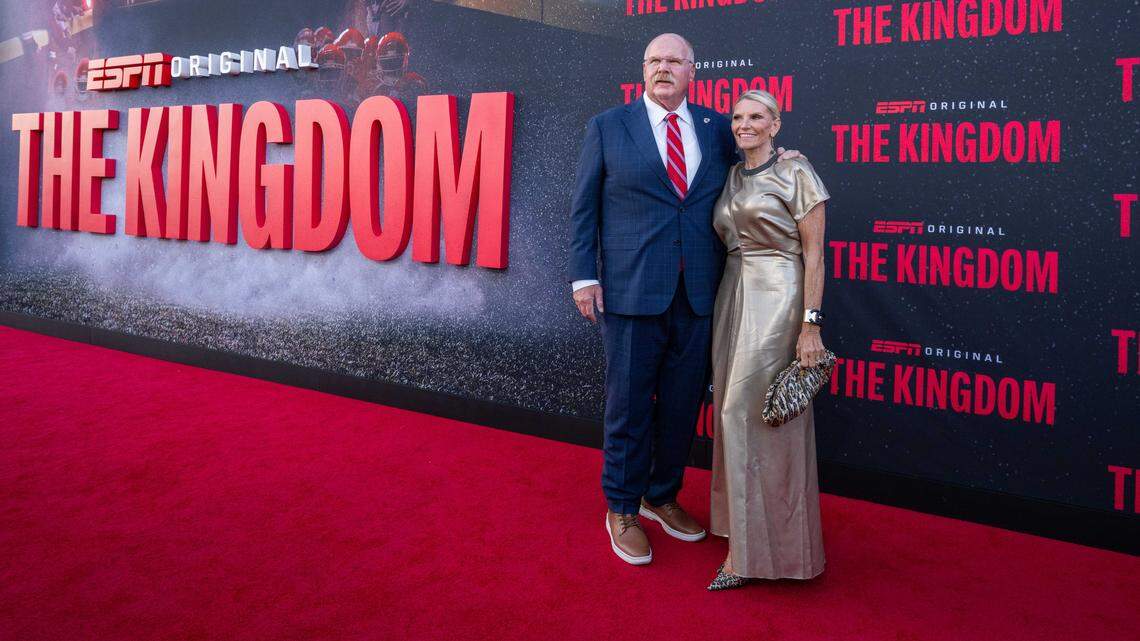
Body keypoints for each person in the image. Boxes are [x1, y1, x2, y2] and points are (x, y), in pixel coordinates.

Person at [568, 33, 797, 565]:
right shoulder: (607, 126)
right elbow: (584, 209)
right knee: (628, 406)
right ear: (642, 70)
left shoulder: (719, 129)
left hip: (698, 293)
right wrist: (584, 277)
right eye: (654, 61)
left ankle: (661, 495)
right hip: (629, 292)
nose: (663, 68)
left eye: (674, 61)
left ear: (693, 71)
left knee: (680, 408)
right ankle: (622, 506)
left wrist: (781, 157)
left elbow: (752, 169)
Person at [707, 90, 830, 590]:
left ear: (776, 124)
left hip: (779, 296)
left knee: (752, 411)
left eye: (757, 116)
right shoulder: (735, 174)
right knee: (729, 413)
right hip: (733, 295)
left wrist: (810, 325)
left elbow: (815, 255)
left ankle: (756, 554)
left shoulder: (798, 172)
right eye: (738, 117)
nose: (744, 124)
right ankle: (741, 526)